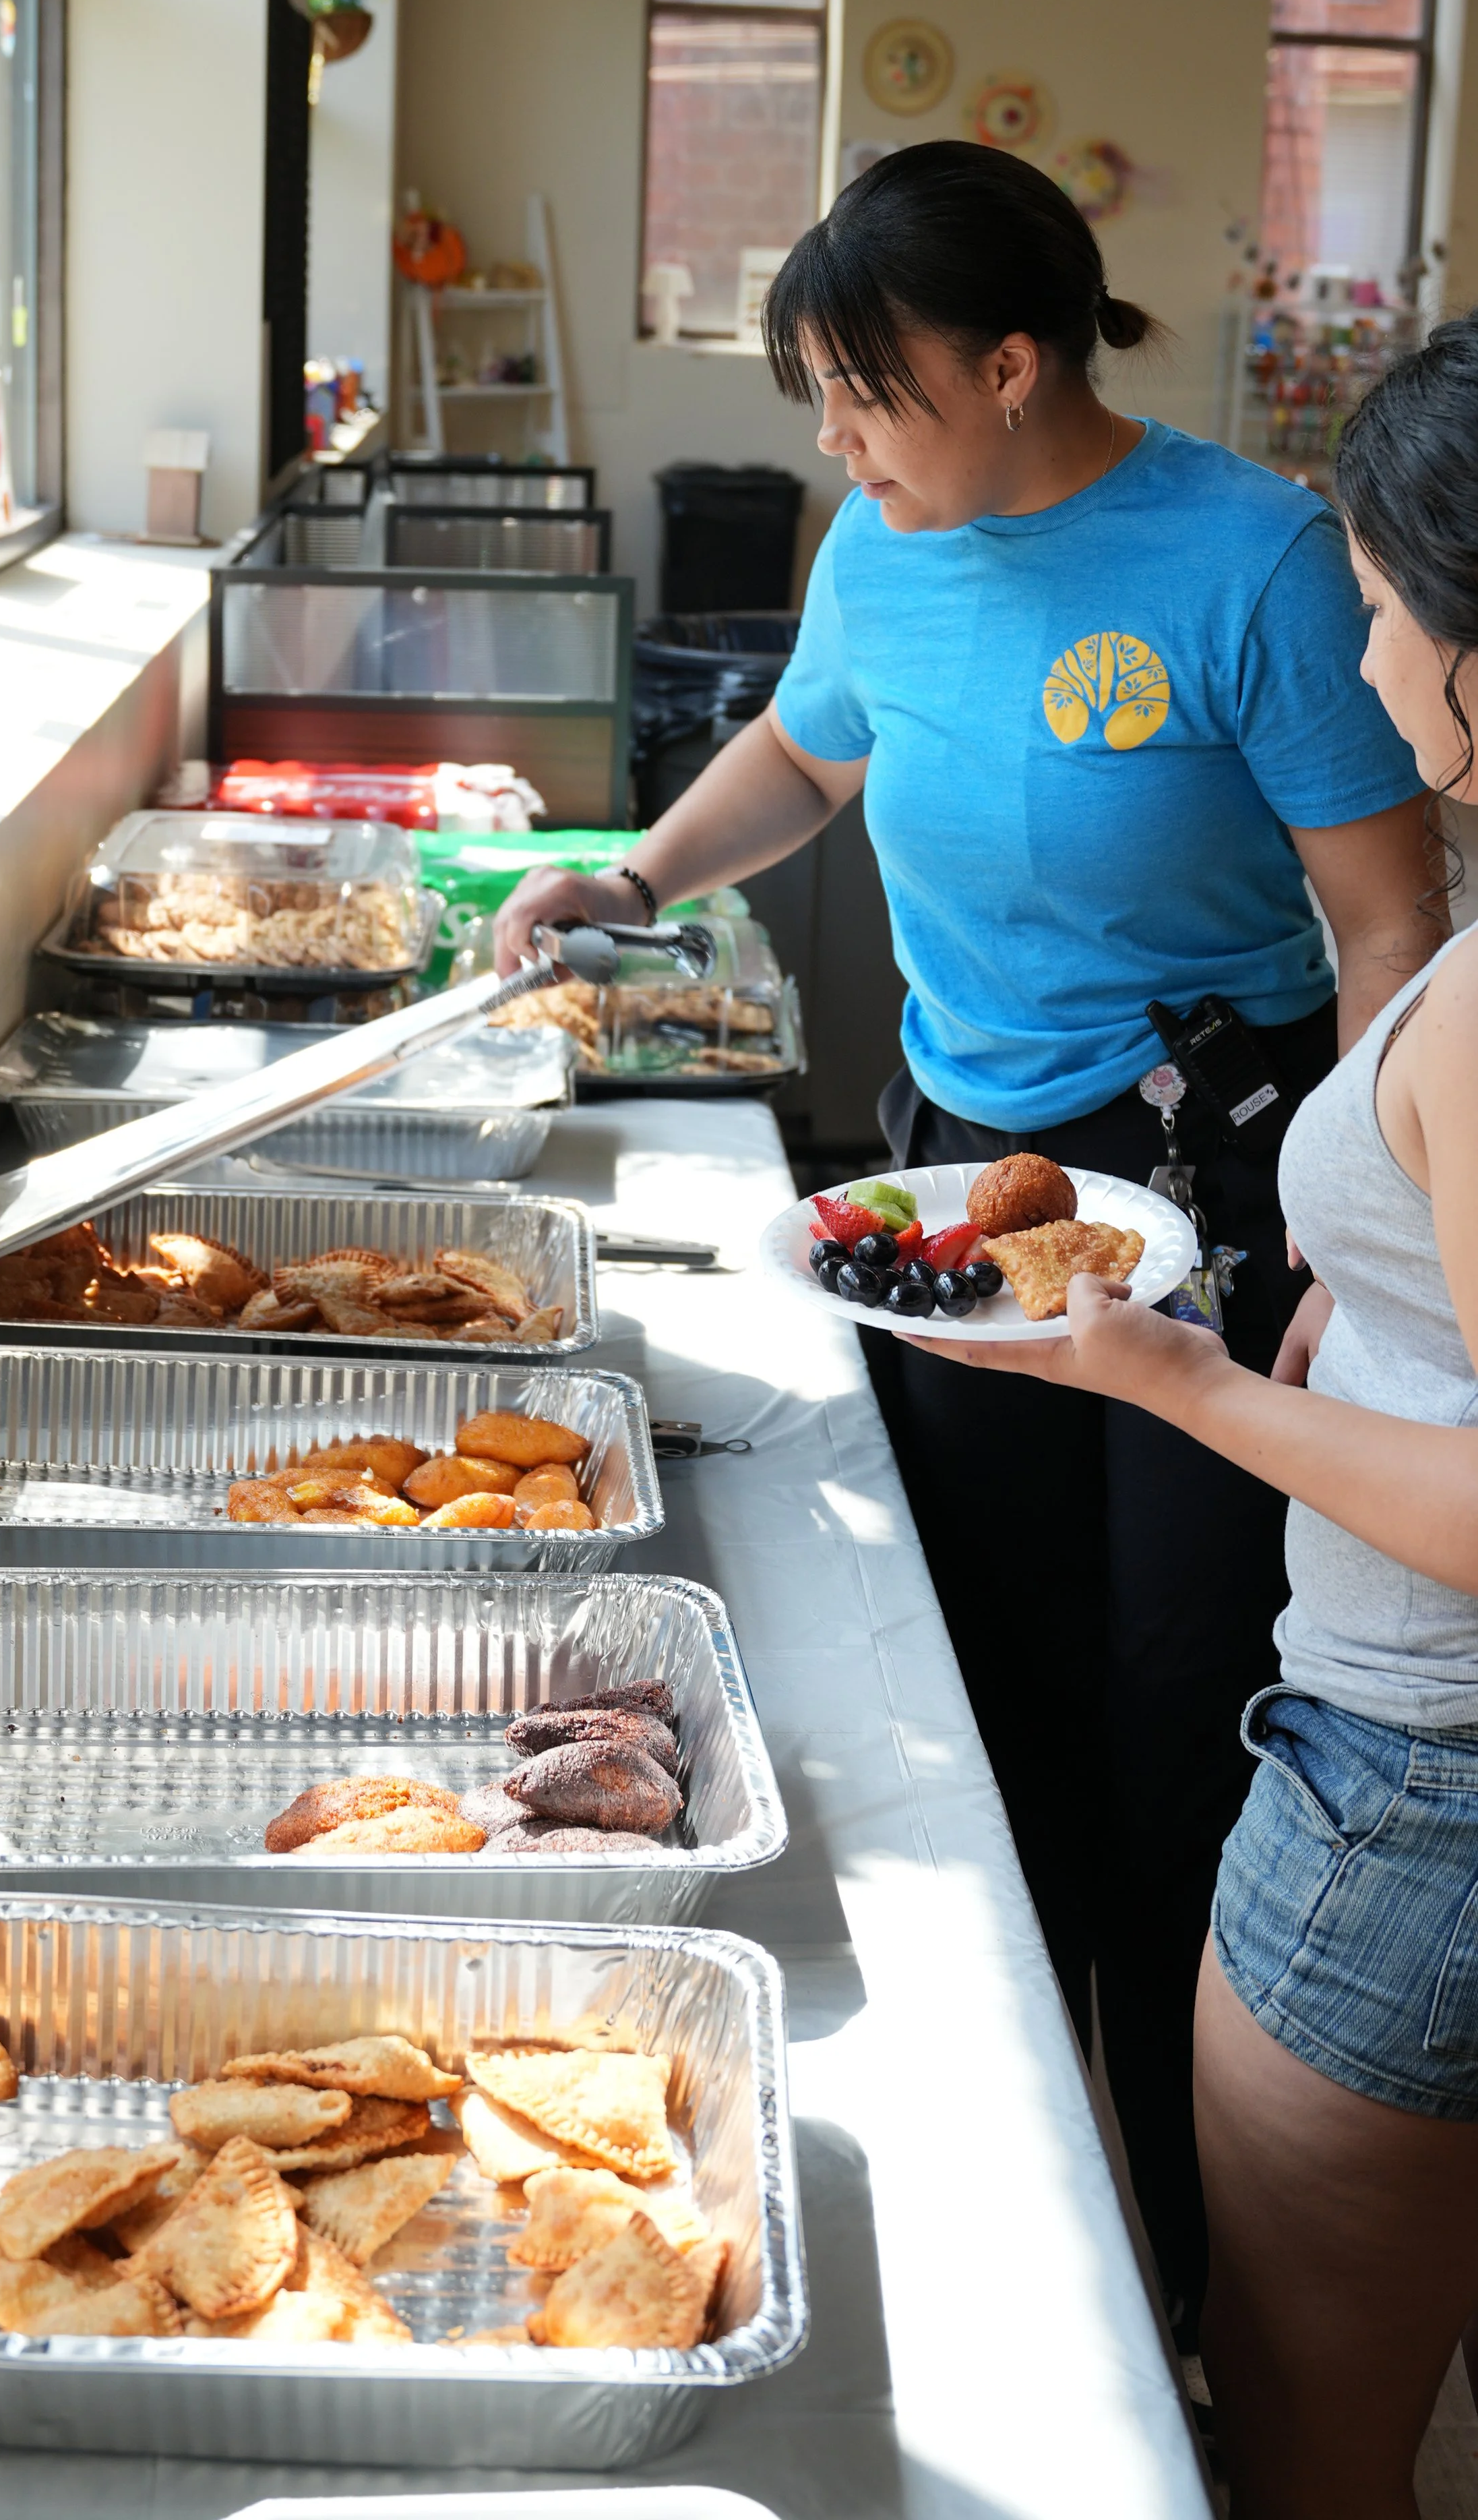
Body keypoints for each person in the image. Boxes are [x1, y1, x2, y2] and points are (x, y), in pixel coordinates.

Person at [491, 140, 1438, 2333]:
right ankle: (1027, 2199)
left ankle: (1215, 2261)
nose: (828, 439)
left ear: (1009, 366)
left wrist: (1369, 1247)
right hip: (954, 1175)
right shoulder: (881, 543)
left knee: (1175, 1694)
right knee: (978, 1661)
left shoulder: (1249, 557)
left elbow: (1388, 909)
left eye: (861, 389)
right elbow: (802, 763)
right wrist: (631, 880)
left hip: (1201, 1185)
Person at [900, 307, 1478, 2520]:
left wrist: (1169, 1375)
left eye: (1374, 601)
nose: (1348, 642)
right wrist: (1372, 1278)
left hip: (1414, 1799)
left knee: (1303, 2452)